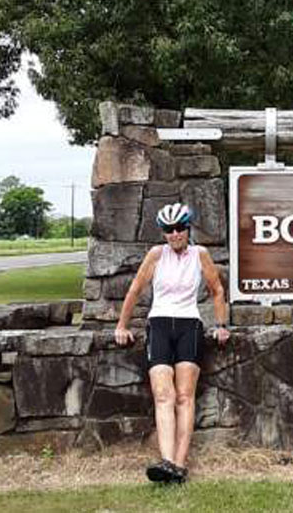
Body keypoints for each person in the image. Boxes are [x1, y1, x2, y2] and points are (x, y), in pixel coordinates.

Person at [114, 202, 230, 484]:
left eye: (179, 228)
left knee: (184, 396)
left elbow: (216, 290)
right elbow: (135, 290)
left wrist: (221, 325)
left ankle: (179, 465)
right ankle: (166, 463)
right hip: (160, 325)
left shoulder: (200, 255)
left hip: (190, 325)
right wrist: (121, 325)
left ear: (188, 229)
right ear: (163, 232)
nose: (175, 234)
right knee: (163, 395)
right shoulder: (156, 254)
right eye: (169, 230)